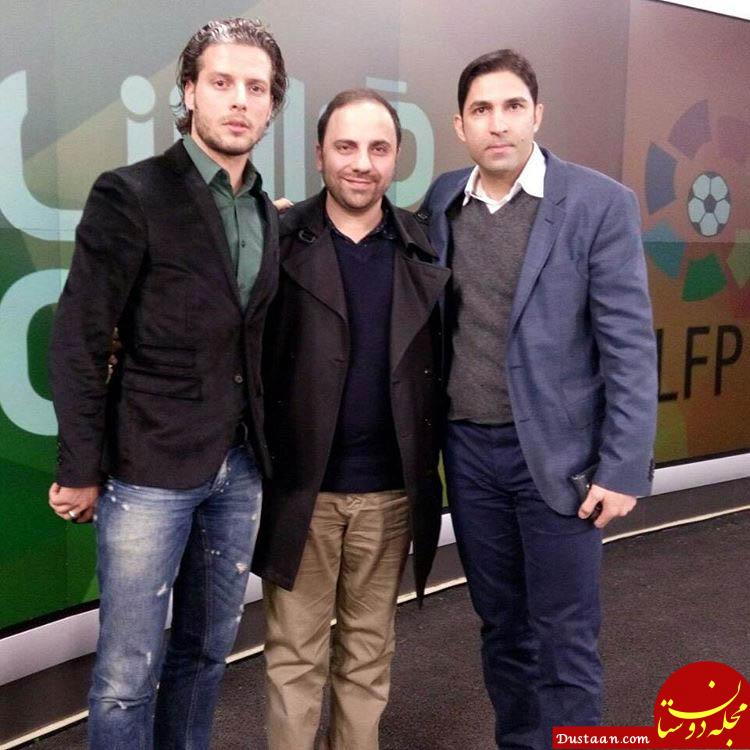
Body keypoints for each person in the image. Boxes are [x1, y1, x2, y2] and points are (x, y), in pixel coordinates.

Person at [47, 18, 287, 749]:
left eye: (256, 88)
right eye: (222, 82)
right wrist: (79, 468)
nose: (239, 101)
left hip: (240, 468)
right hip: (148, 469)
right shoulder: (131, 193)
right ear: (188, 92)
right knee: (127, 675)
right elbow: (80, 337)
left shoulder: (265, 211)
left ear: (272, 105)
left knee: (207, 655)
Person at [419, 49, 657, 749]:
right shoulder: (441, 201)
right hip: (470, 455)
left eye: (512, 107)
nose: (498, 124)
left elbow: (629, 346)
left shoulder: (599, 203)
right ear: (460, 125)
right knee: (502, 629)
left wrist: (622, 467)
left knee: (565, 637)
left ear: (537, 115)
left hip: (559, 459)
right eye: (481, 110)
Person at [253, 88, 450, 750]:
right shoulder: (276, 240)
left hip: (391, 496)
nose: (362, 163)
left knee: (369, 656)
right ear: (319, 155)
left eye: (378, 148)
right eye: (346, 146)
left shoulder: (424, 246)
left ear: (396, 157)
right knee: (294, 659)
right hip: (302, 495)